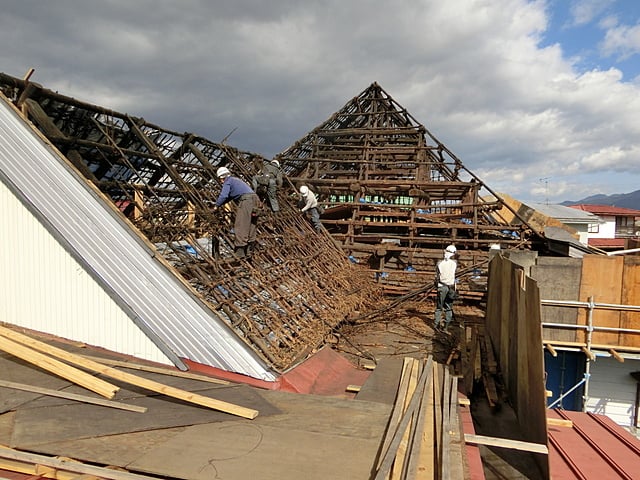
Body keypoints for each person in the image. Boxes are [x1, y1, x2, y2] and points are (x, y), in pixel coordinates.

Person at [214, 166, 259, 258]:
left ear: (222, 177)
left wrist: (216, 205)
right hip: (255, 200)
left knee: (241, 224)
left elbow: (224, 196)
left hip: (246, 201)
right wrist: (221, 203)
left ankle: (240, 251)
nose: (221, 182)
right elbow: (230, 197)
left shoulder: (228, 181)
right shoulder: (236, 180)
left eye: (220, 180)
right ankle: (250, 249)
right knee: (251, 224)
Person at [435, 244, 457, 330]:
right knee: (448, 308)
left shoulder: (439, 263)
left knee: (439, 307)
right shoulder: (454, 263)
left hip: (442, 286)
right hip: (451, 287)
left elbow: (436, 276)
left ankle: (436, 325)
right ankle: (446, 327)